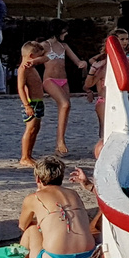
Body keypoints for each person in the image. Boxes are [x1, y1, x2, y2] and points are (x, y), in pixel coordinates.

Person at [18, 156, 98, 258]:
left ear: (38, 179)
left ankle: (20, 257)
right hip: (87, 256)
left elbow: (22, 225)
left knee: (31, 229)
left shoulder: (34, 198)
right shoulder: (73, 194)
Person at [39, 20, 88, 157]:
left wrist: (82, 63)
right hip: (49, 80)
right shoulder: (44, 46)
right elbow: (31, 56)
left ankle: (59, 143)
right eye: (64, 30)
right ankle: (60, 141)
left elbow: (77, 61)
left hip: (63, 81)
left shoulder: (64, 46)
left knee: (66, 108)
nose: (66, 33)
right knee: (65, 104)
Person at [84, 29, 129, 134]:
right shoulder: (105, 63)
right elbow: (88, 84)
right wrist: (93, 69)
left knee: (122, 128)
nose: (125, 42)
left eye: (127, 39)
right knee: (105, 129)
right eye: (122, 39)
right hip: (104, 100)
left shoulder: (127, 59)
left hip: (121, 99)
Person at [17, 41, 47, 167]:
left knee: (36, 129)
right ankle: (24, 156)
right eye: (38, 56)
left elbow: (47, 56)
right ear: (30, 56)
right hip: (31, 102)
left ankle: (29, 154)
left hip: (38, 101)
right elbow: (21, 87)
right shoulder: (23, 69)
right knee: (30, 129)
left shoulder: (31, 66)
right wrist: (26, 105)